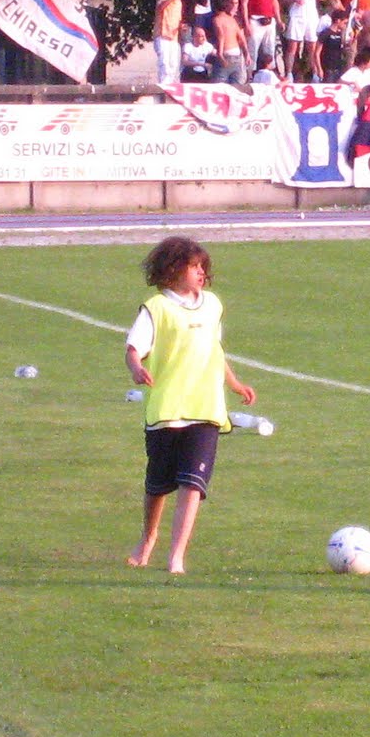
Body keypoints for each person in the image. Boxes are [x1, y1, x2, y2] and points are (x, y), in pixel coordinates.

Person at [124, 236, 257, 575]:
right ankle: (148, 537)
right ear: (172, 270)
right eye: (193, 266)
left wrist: (235, 383)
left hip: (206, 410)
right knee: (158, 485)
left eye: (202, 267)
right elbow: (132, 349)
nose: (201, 272)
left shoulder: (212, 305)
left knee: (192, 483)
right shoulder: (156, 308)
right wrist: (137, 368)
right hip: (167, 411)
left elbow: (214, 349)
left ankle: (176, 556)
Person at [281, 0, 326, 82]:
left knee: (312, 45)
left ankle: (315, 74)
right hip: (296, 15)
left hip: (311, 15)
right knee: (292, 45)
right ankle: (289, 73)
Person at [239, 0, 280, 75]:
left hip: (269, 19)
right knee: (253, 48)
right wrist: (246, 23)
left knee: (270, 48)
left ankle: (269, 72)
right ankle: (248, 74)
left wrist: (279, 19)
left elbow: (274, 0)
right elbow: (244, 3)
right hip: (255, 19)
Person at [211, 0, 249, 87]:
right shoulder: (232, 19)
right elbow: (242, 38)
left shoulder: (217, 19)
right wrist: (246, 54)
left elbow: (221, 36)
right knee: (236, 87)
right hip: (237, 55)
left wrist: (220, 54)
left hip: (226, 54)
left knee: (219, 86)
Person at [152, 0, 183, 86]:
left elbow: (177, 19)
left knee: (174, 64)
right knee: (164, 63)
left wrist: (181, 26)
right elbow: (161, 7)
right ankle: (164, 86)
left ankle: (173, 86)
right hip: (162, 34)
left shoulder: (179, 2)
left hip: (174, 37)